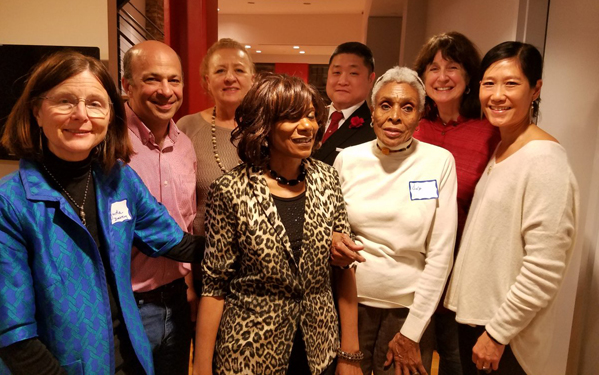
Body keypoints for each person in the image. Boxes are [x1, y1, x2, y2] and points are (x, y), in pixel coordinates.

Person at [0, 51, 203, 374]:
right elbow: (13, 333)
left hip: (131, 357)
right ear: (37, 111)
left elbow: (175, 241)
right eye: (65, 101)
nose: (81, 115)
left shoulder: (118, 180)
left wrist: (246, 248)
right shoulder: (10, 202)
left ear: (110, 114)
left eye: (95, 103)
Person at [194, 73, 362, 375]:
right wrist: (202, 367)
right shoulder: (230, 190)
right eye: (292, 117)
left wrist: (349, 355)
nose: (307, 126)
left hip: (319, 349)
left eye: (311, 115)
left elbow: (344, 268)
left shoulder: (327, 179)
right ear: (264, 126)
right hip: (249, 352)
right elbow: (214, 286)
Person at [445, 41, 579, 375]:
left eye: (512, 83)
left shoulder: (544, 159)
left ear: (536, 89)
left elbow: (544, 265)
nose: (497, 95)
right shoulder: (501, 148)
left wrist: (498, 332)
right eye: (489, 83)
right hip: (476, 322)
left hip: (503, 337)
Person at [333, 66, 458, 375]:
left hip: (409, 314)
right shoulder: (348, 160)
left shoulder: (438, 162)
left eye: (407, 107)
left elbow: (441, 253)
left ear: (420, 114)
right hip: (350, 310)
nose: (395, 116)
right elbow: (331, 230)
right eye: (386, 105)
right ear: (373, 110)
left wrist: (413, 331)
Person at [412, 32, 501, 375]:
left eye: (452, 67)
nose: (442, 76)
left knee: (456, 363)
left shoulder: (490, 133)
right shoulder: (412, 128)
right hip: (413, 270)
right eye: (433, 68)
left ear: (469, 79)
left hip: (463, 274)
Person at [121, 40, 197, 374]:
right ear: (128, 85)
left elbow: (187, 221)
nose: (166, 91)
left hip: (177, 300)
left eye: (174, 80)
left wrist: (191, 285)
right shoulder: (108, 141)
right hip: (127, 306)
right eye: (152, 79)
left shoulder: (185, 146)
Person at [177, 38, 255, 293]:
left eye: (239, 70)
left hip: (258, 273)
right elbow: (178, 208)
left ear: (252, 79)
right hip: (203, 266)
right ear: (206, 81)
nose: (230, 78)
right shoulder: (185, 128)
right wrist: (186, 277)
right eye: (220, 70)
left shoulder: (269, 130)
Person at [313, 42, 377, 166]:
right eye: (336, 72)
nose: (342, 81)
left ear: (370, 79)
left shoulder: (375, 129)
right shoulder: (310, 117)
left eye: (353, 73)